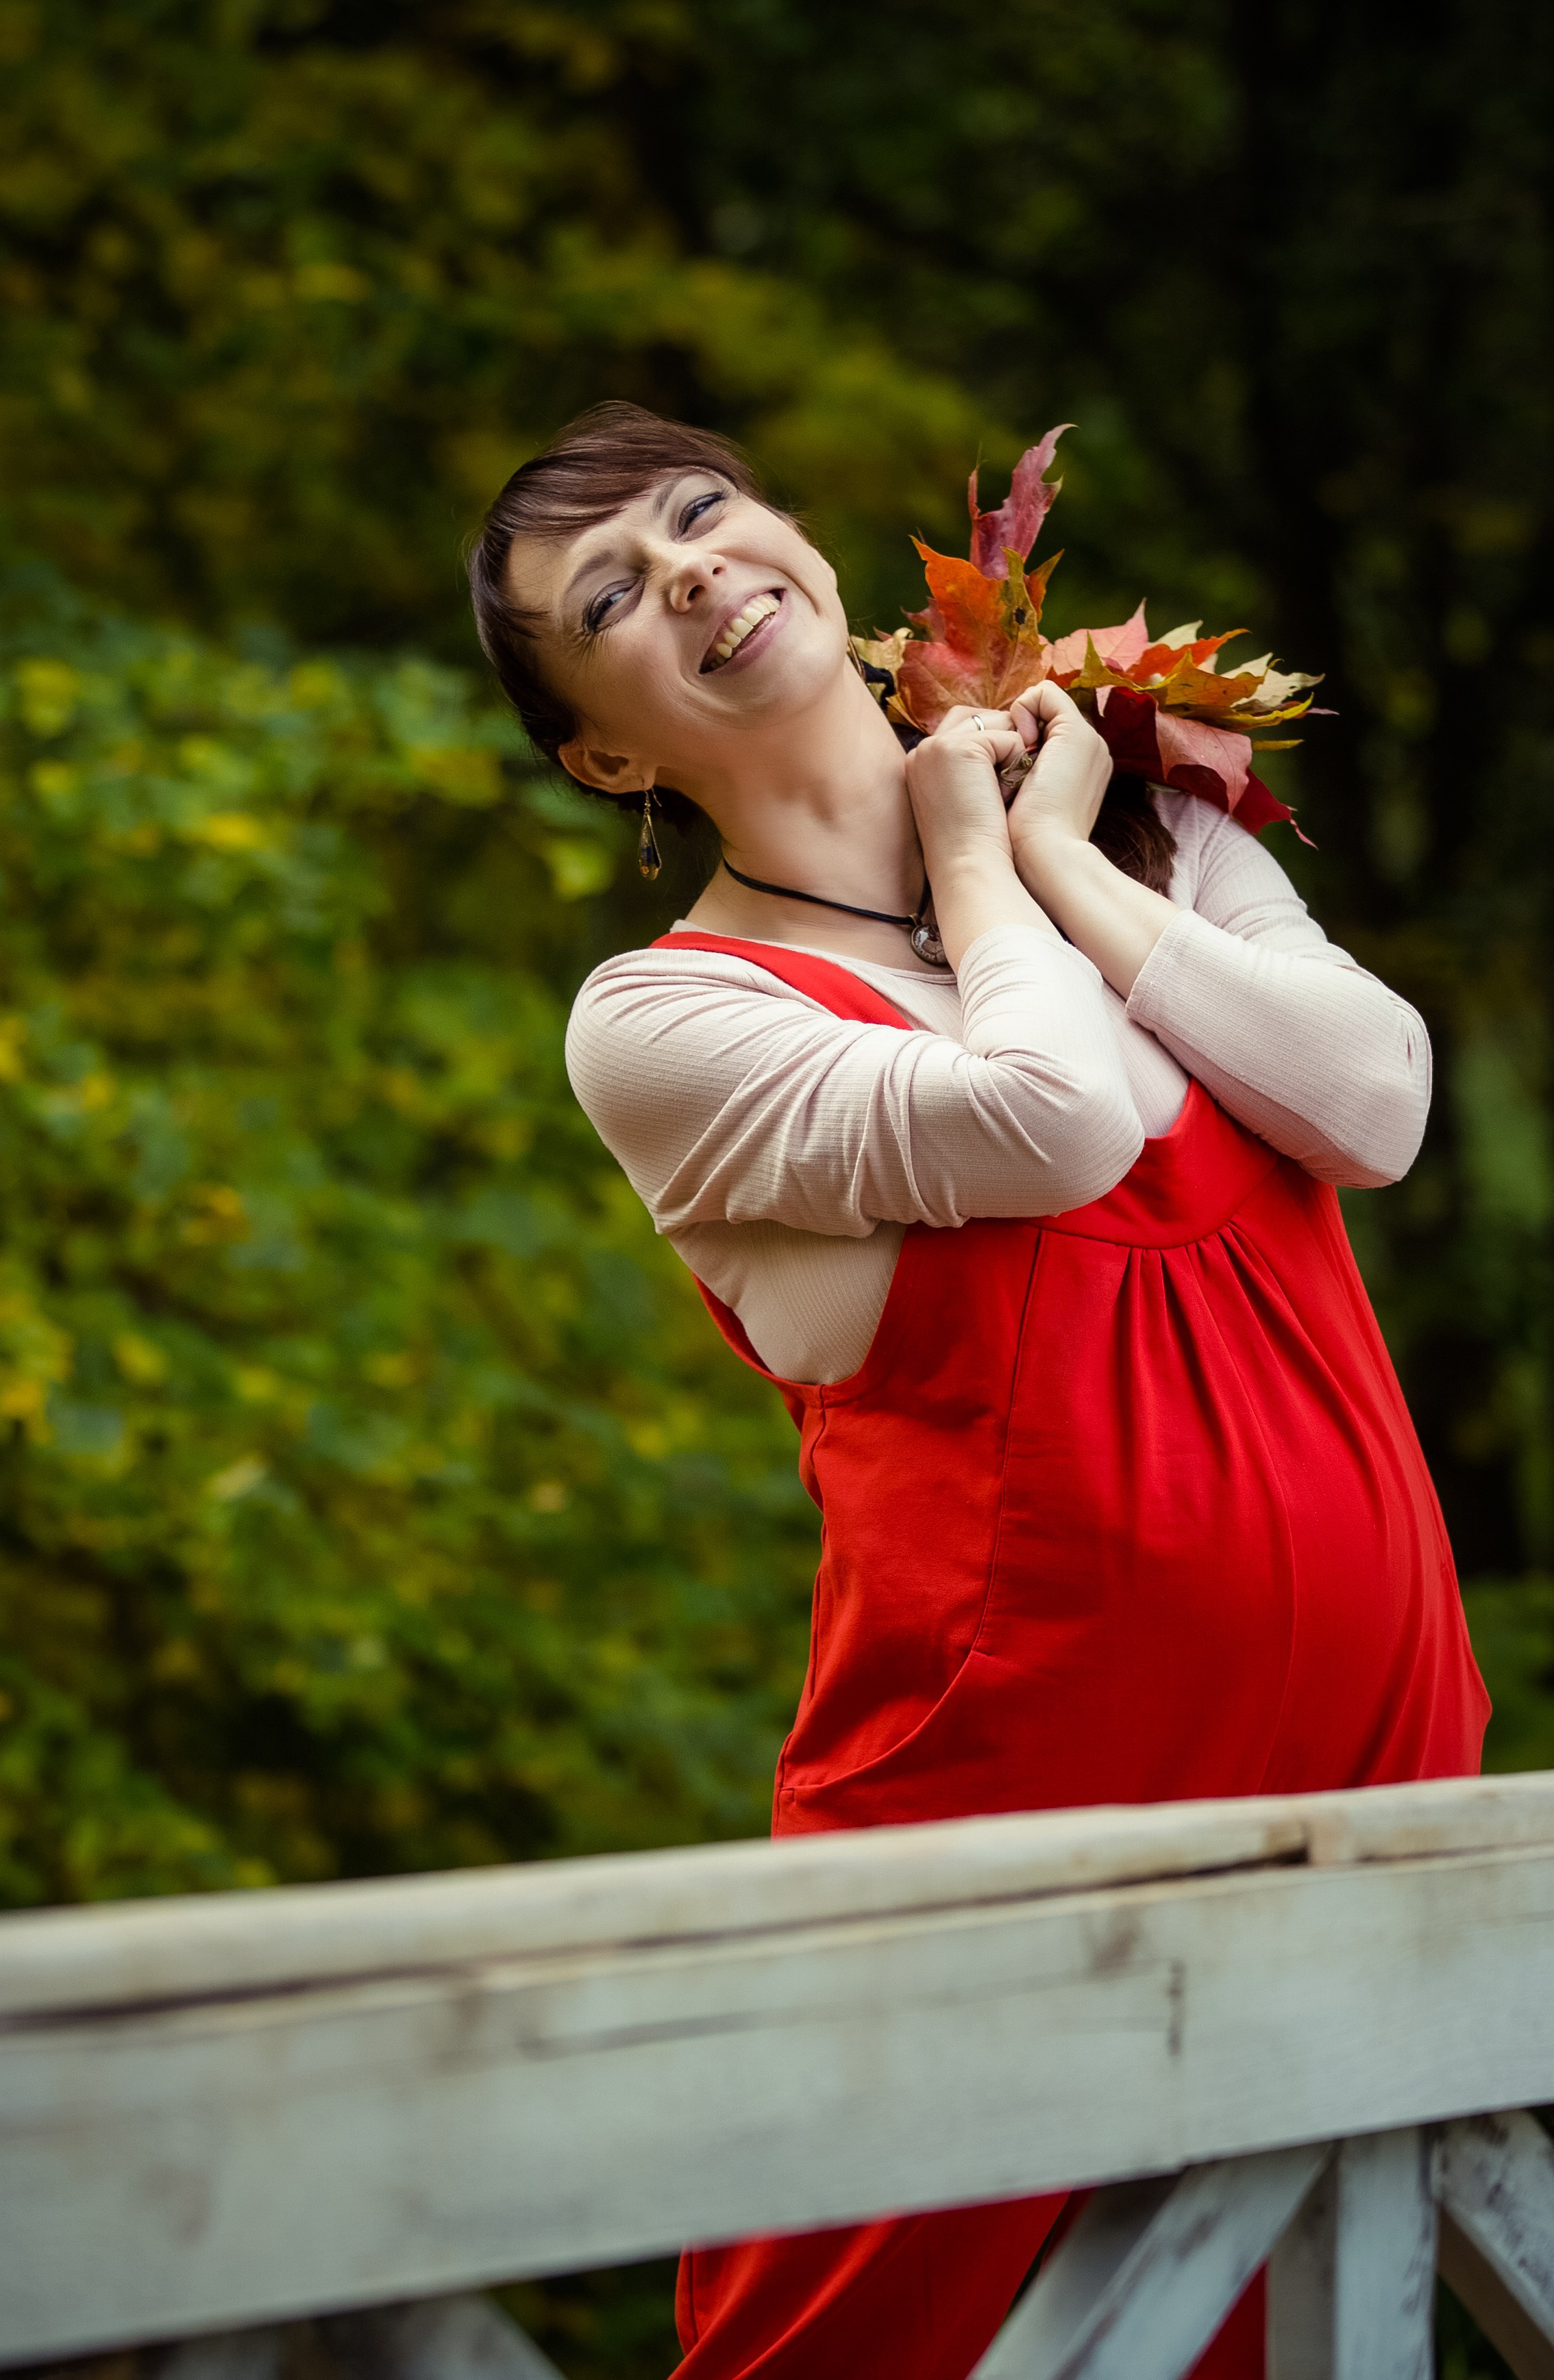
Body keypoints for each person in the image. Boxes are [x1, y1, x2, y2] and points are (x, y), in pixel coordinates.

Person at [468, 401, 1488, 2380]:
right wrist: (966, 840)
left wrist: (1045, 850)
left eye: (699, 514)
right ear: (604, 750)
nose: (686, 567)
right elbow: (1053, 1116)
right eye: (610, 593)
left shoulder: (1133, 808)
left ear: (787, 531)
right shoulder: (670, 1017)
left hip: (1357, 1812)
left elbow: (1373, 1102)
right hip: (1002, 1878)